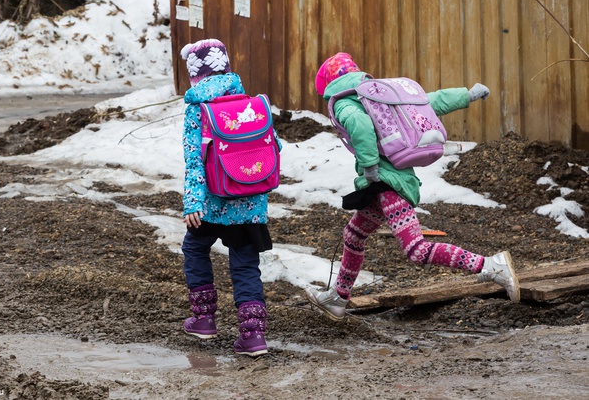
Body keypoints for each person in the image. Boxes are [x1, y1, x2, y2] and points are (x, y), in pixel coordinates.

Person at [305, 52, 520, 321]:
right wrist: (467, 95)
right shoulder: (377, 95)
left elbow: (359, 125)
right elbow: (428, 102)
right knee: (354, 234)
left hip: (387, 185)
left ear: (328, 87)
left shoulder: (345, 104)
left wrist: (370, 165)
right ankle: (339, 297)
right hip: (383, 186)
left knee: (416, 250)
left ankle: (490, 266)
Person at [180, 38, 279, 357]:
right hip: (249, 202)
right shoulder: (250, 102)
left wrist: (193, 203)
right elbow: (271, 147)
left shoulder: (198, 108)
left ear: (195, 75)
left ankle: (204, 318)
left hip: (211, 202)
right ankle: (253, 337)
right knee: (246, 266)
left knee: (194, 247)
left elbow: (194, 159)